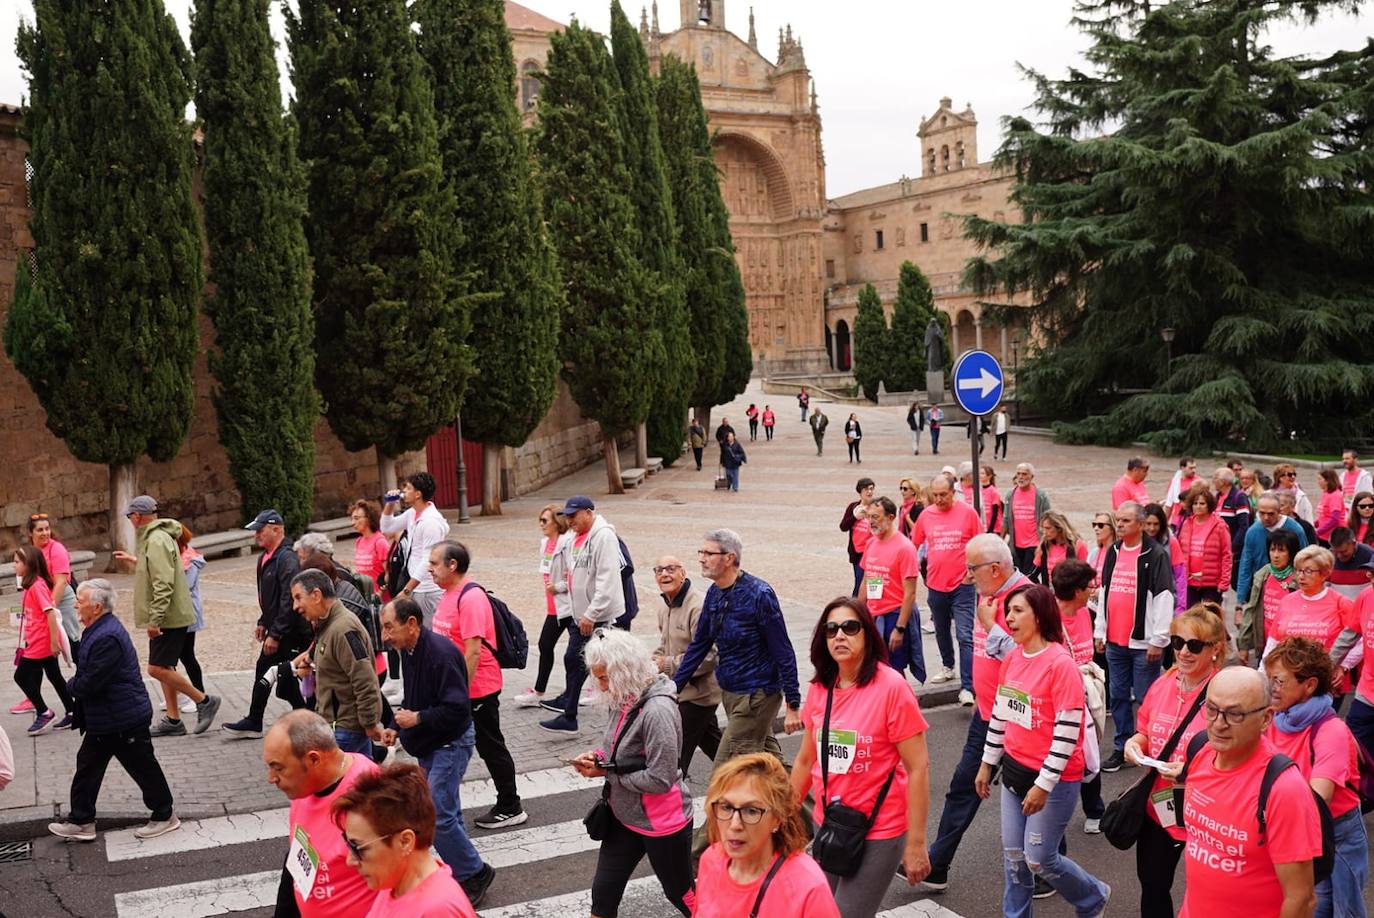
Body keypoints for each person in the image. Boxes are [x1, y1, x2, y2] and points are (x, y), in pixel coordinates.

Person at [974, 583, 1110, 917]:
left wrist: (1043, 785)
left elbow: (1066, 734)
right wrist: (987, 762)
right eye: (1009, 611)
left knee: (1039, 860)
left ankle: (1093, 896)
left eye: (1018, 611)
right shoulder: (1013, 659)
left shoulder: (1059, 664)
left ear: (1040, 615)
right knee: (1015, 861)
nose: (1009, 618)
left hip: (1054, 780)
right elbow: (1002, 716)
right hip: (1014, 774)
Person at [790, 598, 932, 913]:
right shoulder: (820, 688)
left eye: (849, 627)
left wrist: (917, 843)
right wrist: (780, 818)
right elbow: (804, 760)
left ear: (867, 634)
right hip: (831, 824)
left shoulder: (892, 688)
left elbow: (918, 767)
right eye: (831, 629)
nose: (839, 635)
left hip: (880, 828)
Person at [674, 529, 802, 852]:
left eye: (709, 553)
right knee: (772, 764)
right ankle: (818, 805)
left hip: (757, 696)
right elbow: (700, 644)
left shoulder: (759, 594)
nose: (702, 559)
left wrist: (794, 701)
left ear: (729, 558)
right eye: (700, 552)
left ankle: (695, 854)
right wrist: (672, 688)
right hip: (731, 697)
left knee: (723, 776)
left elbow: (783, 649)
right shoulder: (715, 594)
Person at [922, 534, 1028, 893]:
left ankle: (1047, 865)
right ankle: (937, 865)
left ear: (995, 569)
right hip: (987, 713)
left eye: (972, 569)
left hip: (1019, 719)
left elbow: (1033, 660)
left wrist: (991, 627)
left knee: (1024, 792)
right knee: (964, 785)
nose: (967, 576)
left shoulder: (1026, 599)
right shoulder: (990, 595)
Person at [1176, 667, 1322, 918]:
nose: (1218, 724)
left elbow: (1301, 900)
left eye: (1235, 714)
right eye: (1211, 709)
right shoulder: (1200, 751)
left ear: (1266, 718)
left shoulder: (1284, 789)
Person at [376, 598, 494, 906]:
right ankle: (461, 870)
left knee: (437, 815)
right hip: (431, 742)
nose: (385, 636)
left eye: (389, 627)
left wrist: (417, 719)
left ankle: (474, 872)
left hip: (449, 743)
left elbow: (457, 709)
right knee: (446, 812)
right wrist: (398, 726)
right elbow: (417, 700)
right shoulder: (411, 650)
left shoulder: (440, 654)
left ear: (412, 624)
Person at [568, 629, 694, 917]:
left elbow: (660, 779)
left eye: (604, 677)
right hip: (624, 817)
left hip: (663, 823)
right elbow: (615, 753)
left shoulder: (658, 711)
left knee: (680, 893)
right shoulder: (623, 697)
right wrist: (596, 758)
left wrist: (607, 773)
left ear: (625, 671)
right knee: (603, 895)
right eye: (597, 677)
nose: (600, 686)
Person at [47, 580, 178, 842]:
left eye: (80, 601)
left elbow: (90, 682)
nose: (75, 604)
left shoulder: (107, 636)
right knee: (89, 765)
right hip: (109, 718)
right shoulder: (98, 628)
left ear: (96, 607)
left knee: (142, 767)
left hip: (122, 718)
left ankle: (164, 815)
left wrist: (71, 684)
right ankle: (82, 820)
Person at [1120, 603, 1226, 917]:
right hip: (1160, 809)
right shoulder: (1163, 685)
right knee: (1153, 888)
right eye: (1178, 642)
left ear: (1215, 650)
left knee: (1208, 895)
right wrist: (1134, 744)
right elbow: (1144, 731)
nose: (1183, 652)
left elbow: (1239, 757)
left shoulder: (1225, 692)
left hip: (1208, 813)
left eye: (1194, 645)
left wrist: (1192, 771)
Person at [1264, 637, 1369, 918]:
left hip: (1335, 832)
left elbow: (1318, 799)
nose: (1271, 688)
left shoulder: (1330, 730)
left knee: (1341, 910)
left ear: (1309, 685)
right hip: (1294, 828)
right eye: (1269, 679)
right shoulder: (1275, 718)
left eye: (1279, 681)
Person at [426, 543, 525, 829]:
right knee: (455, 744)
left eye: (434, 563)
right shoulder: (448, 594)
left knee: (490, 744)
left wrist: (459, 692)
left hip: (477, 687)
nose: (429, 568)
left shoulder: (471, 598)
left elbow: (473, 651)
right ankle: (442, 803)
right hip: (457, 688)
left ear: (452, 565)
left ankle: (511, 805)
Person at [112, 496, 220, 737]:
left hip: (168, 616)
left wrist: (155, 618)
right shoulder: (156, 538)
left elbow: (163, 582)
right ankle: (173, 720)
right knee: (165, 665)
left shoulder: (157, 540)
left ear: (138, 516)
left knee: (155, 669)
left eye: (130, 517)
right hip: (170, 614)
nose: (130, 521)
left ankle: (204, 701)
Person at [694, 753, 840, 918]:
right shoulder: (711, 860)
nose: (735, 825)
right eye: (726, 807)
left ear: (777, 819)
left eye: (751, 811)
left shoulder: (807, 887)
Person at [265, 709, 380, 917]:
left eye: (278, 768)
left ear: (314, 760)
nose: (271, 778)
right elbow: (296, 858)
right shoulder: (306, 786)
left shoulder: (369, 796)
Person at [330, 764, 478, 917]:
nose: (350, 860)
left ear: (405, 841)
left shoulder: (437, 910)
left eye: (358, 848)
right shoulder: (393, 882)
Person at [1094, 501, 1173, 772]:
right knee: (1117, 695)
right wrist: (1100, 630)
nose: (1119, 525)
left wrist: (1158, 639)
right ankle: (1121, 746)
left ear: (1140, 524)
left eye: (1126, 520)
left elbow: (1164, 597)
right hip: (1115, 641)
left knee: (1145, 697)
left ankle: (1150, 744)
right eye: (1118, 520)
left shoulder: (1156, 554)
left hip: (1143, 643)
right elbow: (1106, 590)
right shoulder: (1113, 550)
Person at [540, 495, 624, 734]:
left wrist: (591, 614)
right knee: (579, 661)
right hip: (583, 616)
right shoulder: (575, 539)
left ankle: (575, 714)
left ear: (589, 512)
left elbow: (606, 580)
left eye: (573, 515)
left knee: (600, 664)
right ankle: (571, 713)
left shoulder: (603, 537)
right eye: (567, 515)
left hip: (598, 616)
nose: (570, 519)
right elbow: (573, 576)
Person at [224, 507, 309, 738]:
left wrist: (276, 634)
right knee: (277, 677)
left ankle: (305, 718)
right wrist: (263, 620)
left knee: (282, 680)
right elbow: (269, 598)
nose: (256, 535)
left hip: (292, 633)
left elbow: (288, 598)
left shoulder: (286, 558)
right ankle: (260, 719)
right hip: (279, 629)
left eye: (260, 530)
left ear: (277, 529)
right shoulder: (265, 558)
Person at [290, 569, 386, 755]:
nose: (295, 606)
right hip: (340, 725)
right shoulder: (327, 625)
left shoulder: (343, 629)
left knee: (331, 782)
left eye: (298, 597)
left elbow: (364, 679)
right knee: (360, 781)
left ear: (316, 595)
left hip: (345, 729)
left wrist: (369, 722)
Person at [909, 475, 982, 696]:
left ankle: (968, 687)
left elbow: (980, 544)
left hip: (962, 585)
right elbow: (913, 544)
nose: (939, 499)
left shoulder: (968, 513)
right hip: (936, 584)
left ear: (953, 493)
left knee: (964, 635)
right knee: (941, 629)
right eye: (936, 495)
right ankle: (948, 666)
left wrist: (972, 574)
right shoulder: (926, 515)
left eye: (944, 495)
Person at [1050, 559, 1106, 834]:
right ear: (1076, 591)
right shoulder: (1050, 622)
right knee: (1071, 753)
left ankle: (1095, 808)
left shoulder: (1085, 612)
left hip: (1088, 692)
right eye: (1089, 586)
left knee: (1091, 749)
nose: (1093, 590)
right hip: (1064, 698)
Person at [652, 555, 721, 775]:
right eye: (660, 570)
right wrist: (651, 662)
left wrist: (667, 664)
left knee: (674, 760)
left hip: (699, 695)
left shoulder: (698, 607)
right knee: (720, 751)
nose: (665, 574)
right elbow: (664, 646)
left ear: (683, 573)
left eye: (671, 569)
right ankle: (750, 778)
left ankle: (673, 801)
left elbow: (709, 656)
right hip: (679, 692)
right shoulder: (664, 606)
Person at [1268, 547, 1361, 690]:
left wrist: (1344, 666)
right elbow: (1273, 641)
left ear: (1325, 574)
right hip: (1289, 680)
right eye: (1298, 570)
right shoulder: (1287, 601)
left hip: (1326, 681)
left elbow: (1361, 639)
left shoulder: (1341, 603)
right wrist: (1263, 674)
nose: (1301, 576)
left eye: (1308, 571)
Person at [860, 497, 926, 684]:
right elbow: (866, 580)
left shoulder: (904, 548)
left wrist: (900, 628)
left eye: (876, 517)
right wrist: (858, 611)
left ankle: (904, 707)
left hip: (894, 615)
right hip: (874, 615)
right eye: (869, 517)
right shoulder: (871, 544)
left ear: (890, 518)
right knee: (875, 668)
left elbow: (910, 593)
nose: (871, 521)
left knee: (894, 672)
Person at [514, 505, 573, 709]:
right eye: (540, 520)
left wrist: (559, 587)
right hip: (553, 607)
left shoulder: (567, 544)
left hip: (569, 606)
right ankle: (539, 692)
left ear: (557, 523)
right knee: (545, 646)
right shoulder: (545, 544)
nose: (541, 524)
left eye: (544, 520)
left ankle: (578, 692)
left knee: (576, 652)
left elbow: (573, 575)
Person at [10, 545, 72, 735]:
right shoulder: (31, 585)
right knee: (54, 676)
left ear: (28, 564)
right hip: (36, 640)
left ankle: (44, 711)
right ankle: (73, 710)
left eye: (17, 562)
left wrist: (54, 642)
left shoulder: (37, 586)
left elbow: (50, 613)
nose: (14, 566)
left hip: (41, 642)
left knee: (20, 676)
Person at [380, 472, 450, 619]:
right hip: (415, 585)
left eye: (408, 488)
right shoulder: (412, 513)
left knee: (428, 633)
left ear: (418, 494)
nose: (403, 491)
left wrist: (406, 590)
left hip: (427, 589)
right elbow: (386, 528)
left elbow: (427, 560)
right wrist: (390, 504)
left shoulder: (431, 522)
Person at [1236, 528, 1301, 665]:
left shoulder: (1298, 579)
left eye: (1281, 550)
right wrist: (1243, 645)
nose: (1276, 555)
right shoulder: (1263, 575)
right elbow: (1251, 610)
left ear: (1291, 553)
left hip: (1290, 646)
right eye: (1272, 550)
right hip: (1265, 643)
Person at [164, 525, 207, 717]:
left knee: (187, 655)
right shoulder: (176, 558)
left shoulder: (190, 560)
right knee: (172, 656)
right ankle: (179, 693)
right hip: (176, 614)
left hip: (187, 614)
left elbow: (185, 586)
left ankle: (199, 695)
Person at [1238, 492, 1310, 605]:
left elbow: (1305, 562)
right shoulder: (1253, 532)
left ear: (1279, 511)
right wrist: (1240, 601)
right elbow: (1245, 566)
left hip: (1290, 590)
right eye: (1262, 513)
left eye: (1271, 514)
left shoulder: (1296, 530)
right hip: (1263, 589)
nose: (1266, 518)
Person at [27, 513, 79, 661]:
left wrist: (50, 610)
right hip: (41, 601)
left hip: (60, 598)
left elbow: (61, 582)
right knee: (39, 643)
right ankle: (59, 682)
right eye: (40, 530)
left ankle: (87, 676)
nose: (45, 533)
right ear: (30, 533)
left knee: (70, 640)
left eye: (47, 529)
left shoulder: (57, 549)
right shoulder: (30, 552)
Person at [1177, 483, 1232, 607]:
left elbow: (1226, 554)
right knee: (1191, 618)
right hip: (1190, 581)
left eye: (1202, 503)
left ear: (1209, 505)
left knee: (1210, 619)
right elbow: (1180, 552)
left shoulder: (1220, 526)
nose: (1198, 506)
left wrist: (1224, 582)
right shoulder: (1187, 524)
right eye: (1195, 503)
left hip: (1211, 583)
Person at [1004, 463, 1051, 575]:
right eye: (1018, 474)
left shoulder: (1041, 496)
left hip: (1034, 544)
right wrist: (1001, 541)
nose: (1021, 477)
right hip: (1015, 545)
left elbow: (1048, 519)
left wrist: (1044, 543)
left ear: (1031, 476)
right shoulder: (1011, 494)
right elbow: (1006, 519)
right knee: (1018, 575)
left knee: (1028, 576)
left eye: (1024, 474)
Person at [1143, 502, 1187, 613]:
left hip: (1166, 602)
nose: (1152, 528)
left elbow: (1180, 576)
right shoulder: (1136, 543)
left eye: (1156, 524)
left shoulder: (1171, 542)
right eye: (1148, 523)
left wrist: (1181, 607)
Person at [840, 478, 876, 597]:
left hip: (874, 553)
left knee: (874, 585)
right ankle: (856, 607)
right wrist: (855, 517)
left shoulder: (877, 507)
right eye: (866, 489)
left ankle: (874, 610)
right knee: (860, 582)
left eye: (871, 489)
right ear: (860, 491)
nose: (869, 492)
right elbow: (843, 526)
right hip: (858, 553)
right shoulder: (853, 507)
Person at [1031, 510, 1087, 586]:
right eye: (1043, 528)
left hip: (1069, 591)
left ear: (1059, 528)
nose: (1044, 532)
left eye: (1048, 528)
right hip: (1049, 590)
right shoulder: (1044, 546)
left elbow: (1085, 574)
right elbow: (1033, 573)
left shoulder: (1077, 545)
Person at [349, 500, 390, 594]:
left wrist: (379, 593)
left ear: (368, 518)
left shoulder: (380, 542)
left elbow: (390, 573)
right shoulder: (359, 541)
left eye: (356, 518)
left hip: (380, 600)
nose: (352, 523)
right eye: (352, 519)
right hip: (365, 596)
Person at [1327, 526, 1374, 601]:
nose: (1339, 556)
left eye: (1343, 552)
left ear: (1354, 544)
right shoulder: (1327, 558)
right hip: (1338, 607)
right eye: (1335, 551)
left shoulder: (1370, 556)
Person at [1163, 457, 1200, 528]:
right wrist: (1165, 521)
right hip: (1176, 520)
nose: (1194, 470)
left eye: (1195, 468)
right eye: (1191, 468)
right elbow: (1169, 503)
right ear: (1182, 468)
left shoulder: (1198, 482)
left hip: (1191, 519)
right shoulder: (1175, 482)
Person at [978, 466, 1003, 534]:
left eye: (983, 473)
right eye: (980, 473)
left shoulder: (993, 491)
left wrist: (991, 529)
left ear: (989, 476)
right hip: (985, 527)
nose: (980, 475)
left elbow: (995, 512)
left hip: (995, 528)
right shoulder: (979, 490)